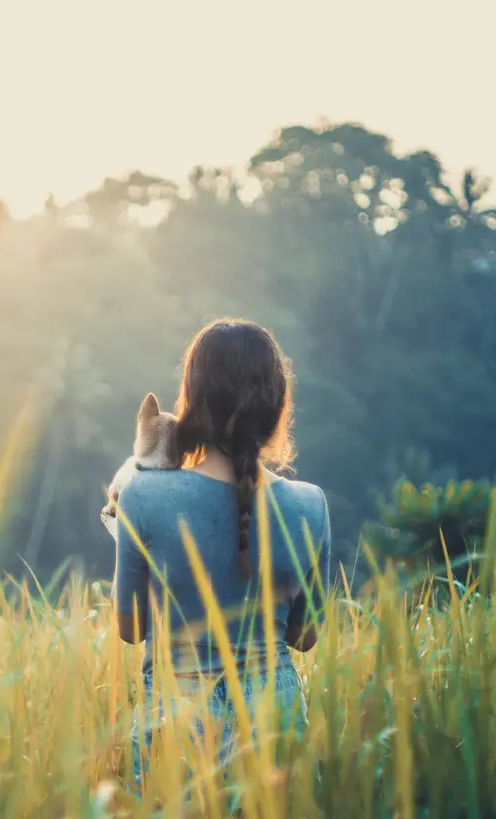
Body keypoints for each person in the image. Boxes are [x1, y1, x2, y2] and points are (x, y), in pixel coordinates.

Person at [112, 317, 333, 790]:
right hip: (276, 723)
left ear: (192, 403)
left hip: (175, 720)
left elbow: (130, 629)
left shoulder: (142, 496)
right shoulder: (310, 505)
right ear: (276, 408)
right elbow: (305, 636)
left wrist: (131, 540)